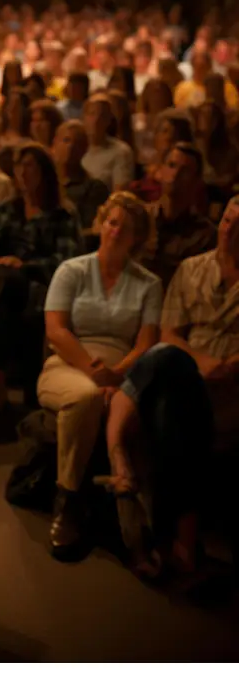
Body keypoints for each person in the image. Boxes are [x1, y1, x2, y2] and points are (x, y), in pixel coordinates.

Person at [103, 197, 239, 581]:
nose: (228, 229)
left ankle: (119, 456)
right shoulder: (192, 268)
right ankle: (183, 540)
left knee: (165, 392)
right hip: (188, 375)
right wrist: (202, 361)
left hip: (230, 390)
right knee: (168, 362)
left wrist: (228, 365)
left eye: (238, 225)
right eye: (226, 219)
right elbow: (169, 334)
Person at [38, 192, 161, 554]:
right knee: (85, 397)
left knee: (132, 409)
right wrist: (93, 372)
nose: (117, 231)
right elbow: (56, 330)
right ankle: (68, 502)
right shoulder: (72, 270)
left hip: (123, 372)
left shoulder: (148, 283)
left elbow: (146, 343)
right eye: (113, 222)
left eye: (127, 228)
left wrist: (117, 374)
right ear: (101, 223)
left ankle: (143, 526)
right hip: (68, 364)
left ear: (138, 238)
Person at [0, 143, 83, 410]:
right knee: (1, 301)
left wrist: (24, 265)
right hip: (3, 288)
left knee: (3, 279)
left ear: (44, 172)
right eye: (19, 166)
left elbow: (67, 262)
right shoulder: (8, 208)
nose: (23, 172)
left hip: (39, 284)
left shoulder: (62, 214)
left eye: (30, 166)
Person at [142, 143, 217, 289]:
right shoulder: (141, 217)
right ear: (161, 170)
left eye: (185, 171)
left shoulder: (204, 235)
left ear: (197, 182)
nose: (175, 174)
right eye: (171, 165)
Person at [52, 120, 109, 234]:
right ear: (54, 143)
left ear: (85, 149)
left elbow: (92, 230)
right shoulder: (42, 182)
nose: (71, 146)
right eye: (66, 140)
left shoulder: (93, 188)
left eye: (77, 143)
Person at [81, 93, 135, 191]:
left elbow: (119, 194)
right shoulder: (75, 147)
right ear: (83, 117)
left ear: (109, 120)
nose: (96, 120)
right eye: (92, 114)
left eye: (102, 115)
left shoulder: (121, 152)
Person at [194, 99, 239, 190]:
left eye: (208, 115)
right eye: (201, 114)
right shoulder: (193, 145)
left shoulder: (228, 149)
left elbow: (224, 179)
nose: (204, 118)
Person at [175, 51, 239, 110]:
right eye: (197, 66)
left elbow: (233, 109)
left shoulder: (225, 87)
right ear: (192, 66)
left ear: (209, 66)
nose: (199, 71)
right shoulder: (182, 88)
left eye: (202, 67)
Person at [132, 79, 174, 168]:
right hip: (142, 164)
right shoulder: (137, 121)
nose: (157, 97)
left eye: (161, 93)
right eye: (154, 93)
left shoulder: (174, 119)